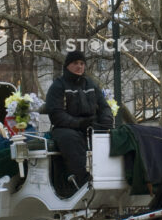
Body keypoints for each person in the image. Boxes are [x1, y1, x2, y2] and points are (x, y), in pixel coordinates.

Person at [44, 49, 114, 191]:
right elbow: (56, 114)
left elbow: (104, 107)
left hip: (91, 126)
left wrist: (105, 122)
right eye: (75, 63)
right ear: (68, 65)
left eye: (82, 63)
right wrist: (79, 124)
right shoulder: (58, 86)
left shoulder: (91, 84)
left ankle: (109, 178)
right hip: (66, 128)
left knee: (115, 136)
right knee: (71, 139)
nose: (79, 66)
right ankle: (82, 183)